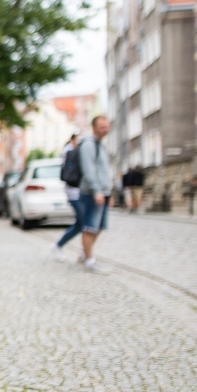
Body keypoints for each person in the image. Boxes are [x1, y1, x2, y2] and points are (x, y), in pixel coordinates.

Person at [76, 116, 113, 274]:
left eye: (107, 126)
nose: (106, 130)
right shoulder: (89, 145)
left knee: (98, 227)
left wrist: (108, 193)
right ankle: (89, 261)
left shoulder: (100, 145)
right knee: (90, 227)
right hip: (91, 193)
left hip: (102, 192)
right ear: (94, 127)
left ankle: (85, 254)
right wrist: (97, 191)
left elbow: (103, 171)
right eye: (102, 127)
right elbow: (89, 170)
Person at [51, 133, 83, 261]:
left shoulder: (70, 151)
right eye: (78, 139)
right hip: (74, 192)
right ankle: (58, 245)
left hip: (77, 192)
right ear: (72, 139)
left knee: (81, 224)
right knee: (82, 223)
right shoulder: (70, 151)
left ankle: (84, 252)